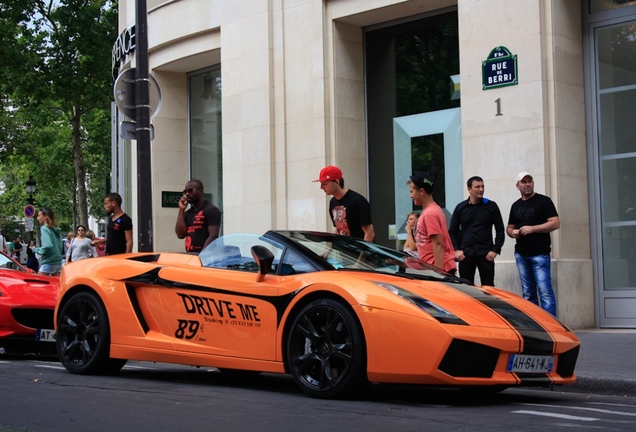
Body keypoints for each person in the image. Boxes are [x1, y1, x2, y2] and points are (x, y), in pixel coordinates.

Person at [507, 172, 560, 316]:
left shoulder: (544, 201)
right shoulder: (516, 206)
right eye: (524, 182)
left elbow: (555, 223)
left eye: (530, 181)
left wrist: (533, 228)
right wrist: (514, 233)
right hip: (521, 254)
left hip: (540, 254)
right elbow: (509, 228)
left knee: (545, 291)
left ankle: (551, 326)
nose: (528, 184)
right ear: (518, 186)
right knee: (528, 293)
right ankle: (535, 326)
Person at [449, 176, 505, 286]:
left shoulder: (491, 206)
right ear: (469, 189)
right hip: (465, 254)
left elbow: (500, 230)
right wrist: (456, 250)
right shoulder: (461, 208)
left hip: (486, 254)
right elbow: (452, 231)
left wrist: (495, 250)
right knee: (467, 288)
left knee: (489, 288)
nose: (481, 189)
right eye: (477, 187)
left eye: (482, 186)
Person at [407, 172, 456, 274]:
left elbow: (438, 244)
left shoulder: (430, 214)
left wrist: (438, 273)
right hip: (433, 269)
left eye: (411, 192)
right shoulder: (433, 210)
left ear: (421, 191)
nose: (410, 196)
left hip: (437, 270)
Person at [314, 165, 375, 241]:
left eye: (325, 183)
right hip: (344, 251)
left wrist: (362, 253)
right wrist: (327, 251)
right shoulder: (333, 202)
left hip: (358, 250)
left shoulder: (357, 200)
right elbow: (336, 229)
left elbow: (369, 233)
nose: (321, 187)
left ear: (336, 182)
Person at [175, 179, 222, 253]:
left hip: (206, 256)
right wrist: (181, 210)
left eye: (190, 191)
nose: (187, 194)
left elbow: (213, 236)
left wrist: (202, 256)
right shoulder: (188, 213)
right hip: (191, 255)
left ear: (201, 192)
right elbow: (180, 235)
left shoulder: (211, 210)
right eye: (185, 191)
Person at [30, 207, 63, 276]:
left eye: (39, 216)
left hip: (49, 262)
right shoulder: (56, 230)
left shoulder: (44, 228)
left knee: (40, 284)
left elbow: (48, 245)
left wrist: (35, 249)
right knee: (55, 285)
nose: (37, 218)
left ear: (45, 216)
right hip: (58, 262)